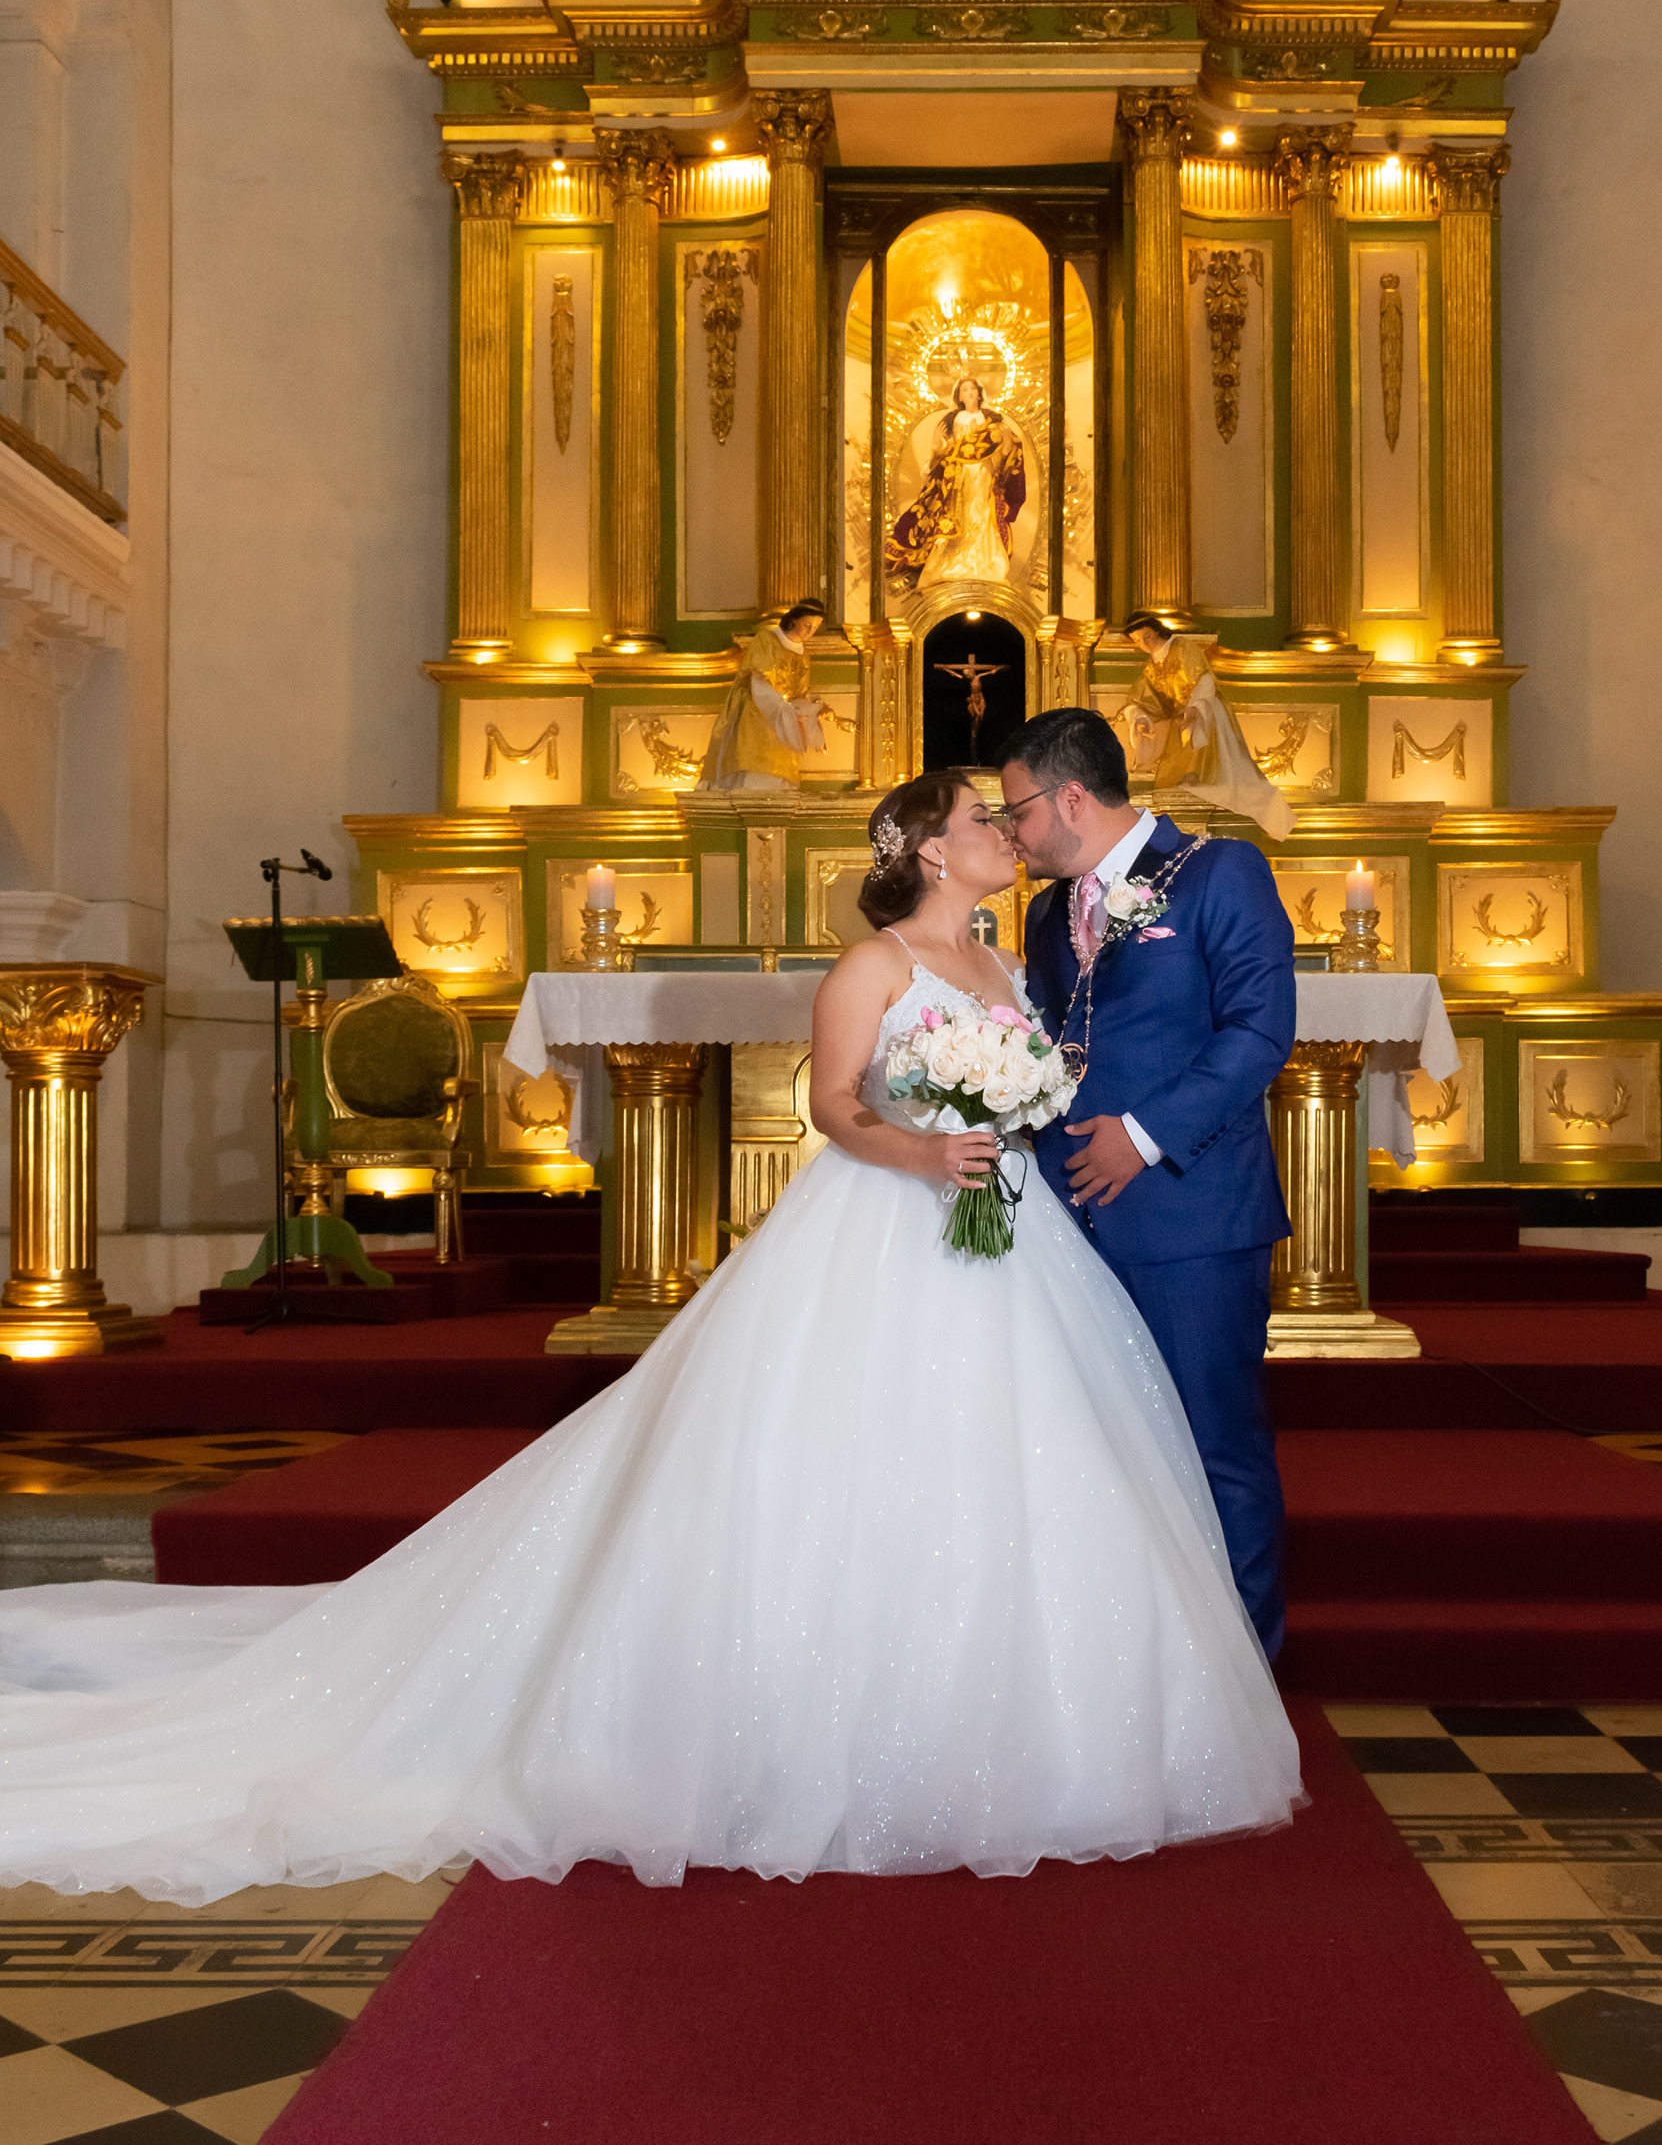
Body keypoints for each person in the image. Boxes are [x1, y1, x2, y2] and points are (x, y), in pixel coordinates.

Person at [0, 770, 1300, 1904]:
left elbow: (1044, 1077)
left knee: (1032, 1463)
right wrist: (925, 1149)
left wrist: (1010, 1120)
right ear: (922, 847)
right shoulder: (874, 967)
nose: (1002, 835)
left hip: (1009, 1232)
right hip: (892, 1222)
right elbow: (835, 1105)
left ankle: (1023, 1726)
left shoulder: (1013, 964)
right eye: (978, 820)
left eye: (1000, 818)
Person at [998, 707, 1296, 1658]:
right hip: (1070, 1224)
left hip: (1191, 1219)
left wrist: (1143, 1135)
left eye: (1017, 811)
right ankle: (1134, 1662)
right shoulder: (1046, 913)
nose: (1011, 832)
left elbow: (1259, 1031)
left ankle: (1244, 1670)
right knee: (1097, 1450)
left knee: (1216, 1445)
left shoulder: (1220, 873)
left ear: (1069, 798)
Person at [1116, 612, 1295, 844]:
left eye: (1147, 636)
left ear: (1157, 630)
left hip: (1203, 714)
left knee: (1210, 769)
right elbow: (1142, 699)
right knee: (1175, 780)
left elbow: (1204, 680)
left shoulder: (1182, 647)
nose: (1145, 643)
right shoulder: (1152, 667)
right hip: (1180, 722)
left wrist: (1195, 708)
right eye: (1138, 641)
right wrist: (1139, 717)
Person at [885, 375, 1026, 591]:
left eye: (973, 389)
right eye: (964, 390)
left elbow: (1004, 459)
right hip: (957, 479)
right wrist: (936, 446)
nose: (969, 393)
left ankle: (983, 566)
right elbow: (941, 457)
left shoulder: (993, 422)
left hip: (984, 477)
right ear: (959, 397)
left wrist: (1006, 447)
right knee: (956, 518)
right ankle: (951, 566)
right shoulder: (952, 421)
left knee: (982, 518)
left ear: (979, 393)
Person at [695, 597, 828, 792]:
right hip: (758, 713)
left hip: (785, 722)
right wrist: (783, 710)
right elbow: (759, 682)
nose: (810, 631)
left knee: (781, 773)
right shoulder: (767, 639)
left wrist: (811, 710)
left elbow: (799, 694)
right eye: (807, 625)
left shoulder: (803, 654)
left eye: (815, 627)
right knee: (756, 770)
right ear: (794, 620)